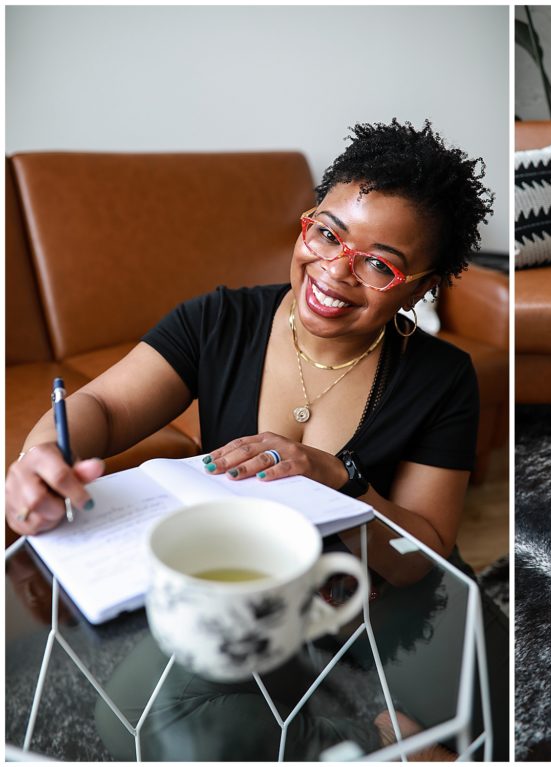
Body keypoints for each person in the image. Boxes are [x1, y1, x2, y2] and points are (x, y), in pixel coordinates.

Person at [5, 119, 507, 758]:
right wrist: (42, 455)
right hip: (258, 597)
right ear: (308, 222)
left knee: (474, 738)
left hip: (389, 603)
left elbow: (422, 556)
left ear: (423, 287)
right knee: (137, 723)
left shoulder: (443, 378)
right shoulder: (218, 320)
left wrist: (343, 481)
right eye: (327, 233)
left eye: (379, 264)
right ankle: (355, 734)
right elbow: (100, 404)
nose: (333, 271)